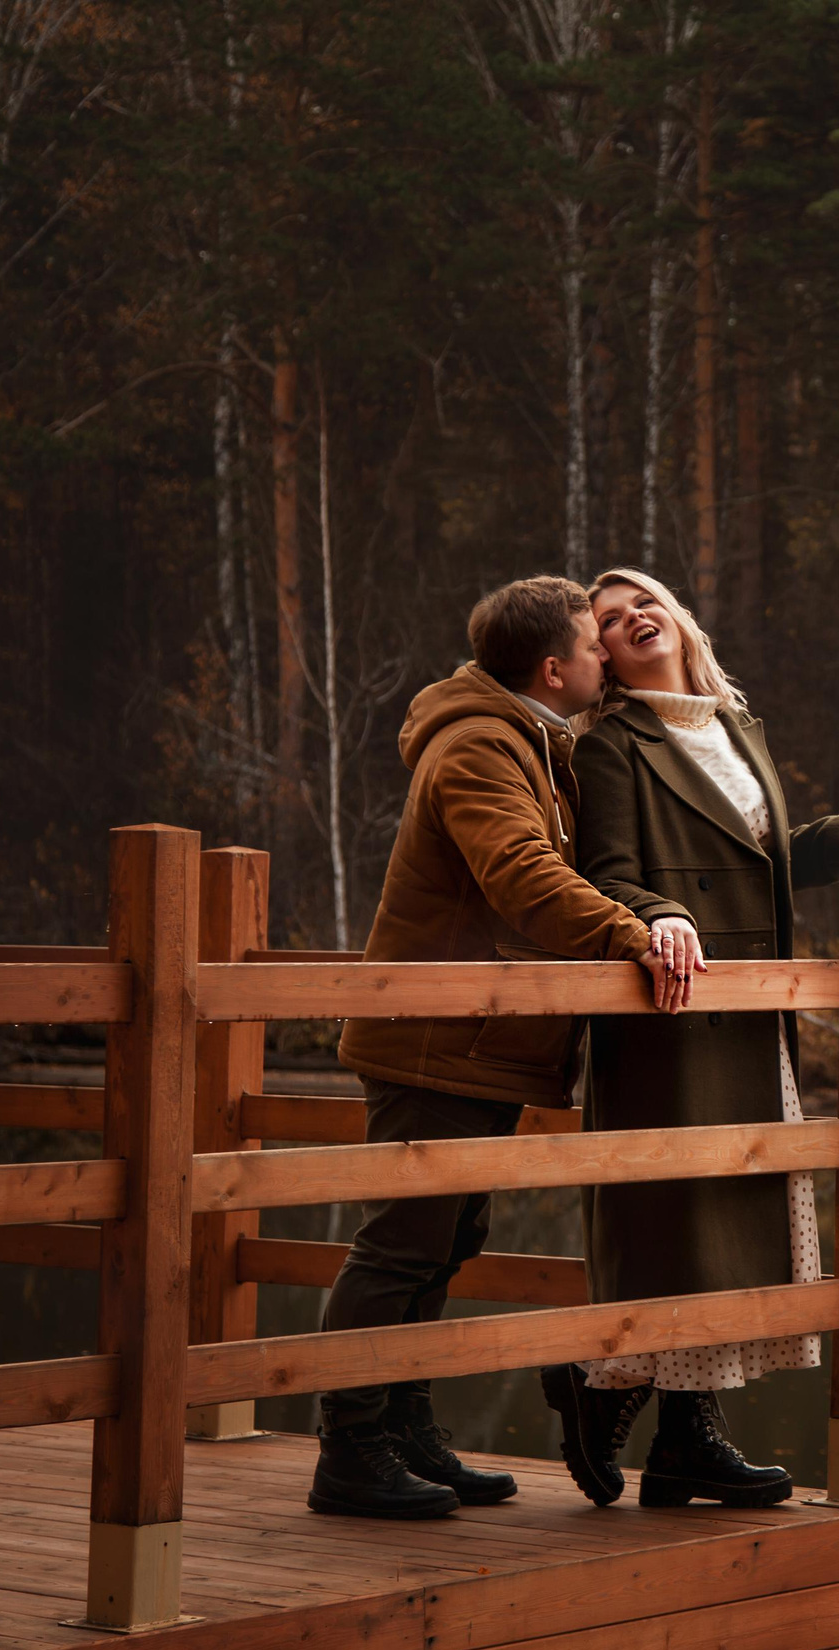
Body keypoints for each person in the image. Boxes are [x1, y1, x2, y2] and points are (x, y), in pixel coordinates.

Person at [539, 568, 839, 1509]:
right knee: (683, 1231)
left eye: (642, 603)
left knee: (738, 1229)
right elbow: (609, 873)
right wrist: (662, 913)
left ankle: (683, 1441)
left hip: (751, 1018)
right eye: (611, 621)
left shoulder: (733, 725)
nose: (633, 620)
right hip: (673, 1009)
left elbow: (760, 859)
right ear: (605, 658)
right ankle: (598, 1385)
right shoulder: (610, 745)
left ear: (677, 616)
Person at [315, 575, 685, 1520]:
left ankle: (401, 1426)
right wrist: (636, 935)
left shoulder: (532, 740)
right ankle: (350, 1446)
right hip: (435, 1038)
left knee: (444, 1243)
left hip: (474, 1041)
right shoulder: (481, 747)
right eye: (593, 647)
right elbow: (522, 877)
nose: (607, 657)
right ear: (554, 668)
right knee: (402, 1246)